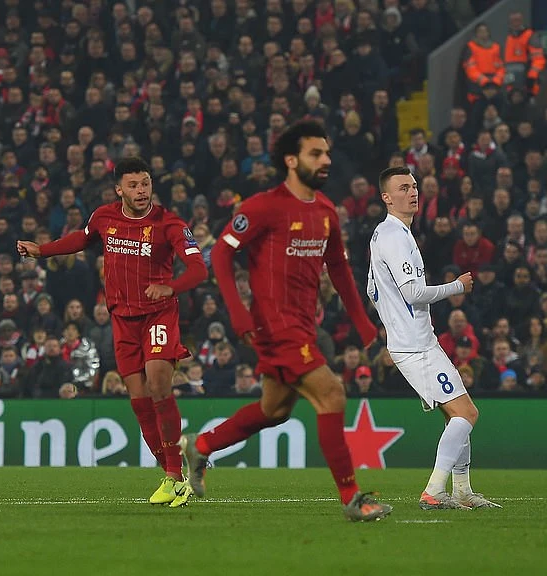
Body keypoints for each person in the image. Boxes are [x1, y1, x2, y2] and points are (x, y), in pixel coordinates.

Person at [179, 121, 392, 522]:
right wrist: (238, 312)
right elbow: (221, 253)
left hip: (303, 325)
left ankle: (200, 446)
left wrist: (362, 320)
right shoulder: (263, 206)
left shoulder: (326, 211)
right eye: (316, 153)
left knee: (273, 410)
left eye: (327, 153)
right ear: (292, 160)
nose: (325, 160)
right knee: (332, 394)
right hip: (274, 326)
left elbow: (339, 269)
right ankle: (352, 499)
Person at [17, 157, 207, 508]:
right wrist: (42, 251)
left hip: (158, 314)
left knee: (158, 383)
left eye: (145, 183)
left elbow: (199, 268)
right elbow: (82, 238)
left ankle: (175, 472)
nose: (141, 190)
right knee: (139, 401)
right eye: (133, 185)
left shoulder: (169, 224)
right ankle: (174, 475)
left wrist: (172, 287)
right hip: (122, 318)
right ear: (119, 189)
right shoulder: (104, 217)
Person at [367, 166, 501, 510]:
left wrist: (392, 322)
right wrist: (457, 286)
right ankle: (434, 491)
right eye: (403, 188)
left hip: (415, 341)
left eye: (413, 186)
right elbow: (412, 293)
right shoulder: (396, 237)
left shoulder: (383, 234)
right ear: (386, 197)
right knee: (467, 413)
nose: (412, 192)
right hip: (416, 346)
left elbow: (372, 289)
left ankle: (462, 490)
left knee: (456, 414)